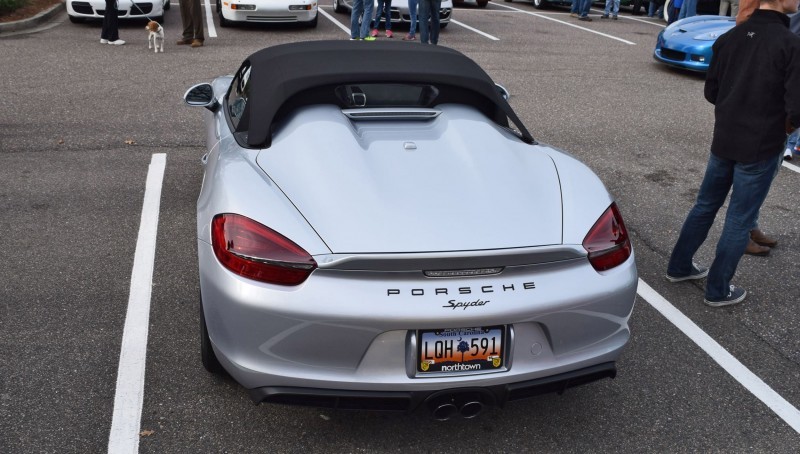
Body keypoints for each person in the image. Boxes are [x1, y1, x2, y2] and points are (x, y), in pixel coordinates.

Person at [666, 0, 800, 307]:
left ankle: (679, 266)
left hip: (724, 139)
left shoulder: (730, 37)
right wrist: (784, 127)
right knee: (739, 219)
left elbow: (711, 91)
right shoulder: (791, 44)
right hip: (761, 144)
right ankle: (717, 289)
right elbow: (798, 106)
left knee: (705, 205)